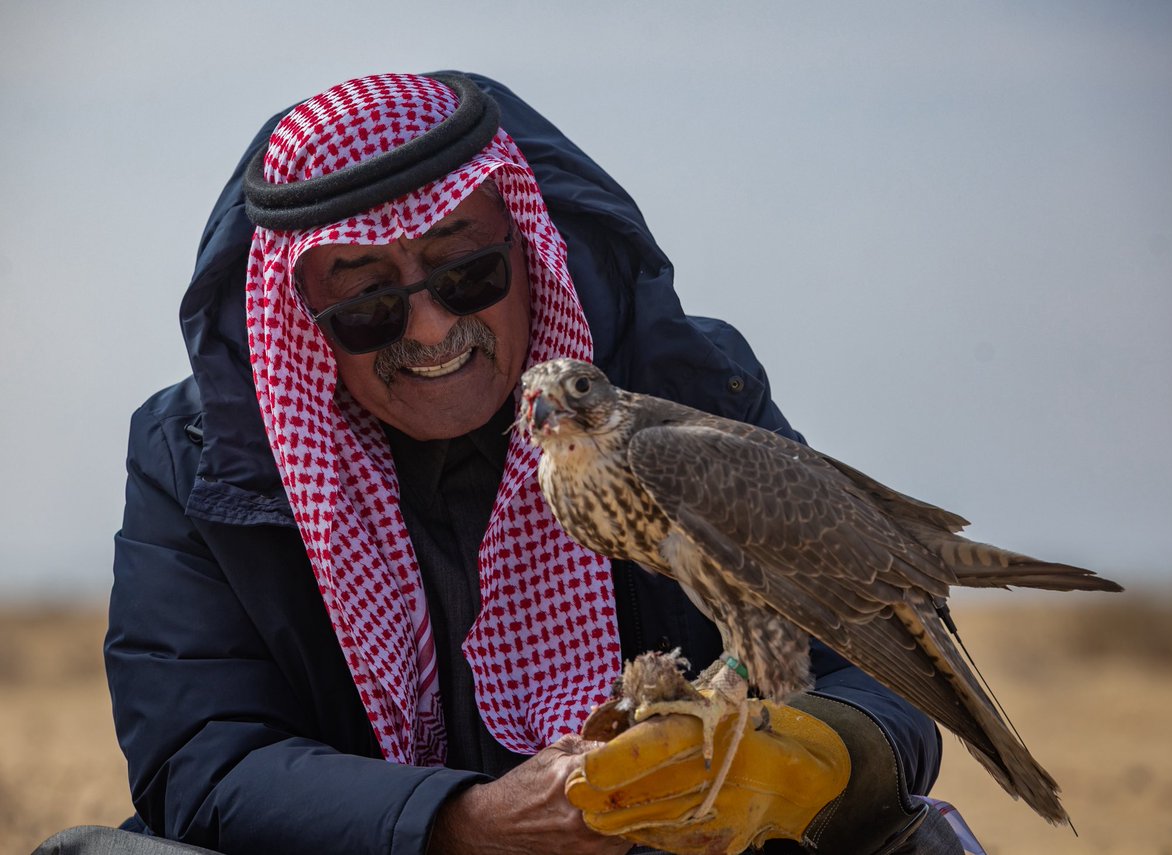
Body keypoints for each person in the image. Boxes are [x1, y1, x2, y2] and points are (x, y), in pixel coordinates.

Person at [47, 72, 979, 854]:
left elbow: (884, 661)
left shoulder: (685, 395)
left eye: (465, 275)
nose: (433, 329)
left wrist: (784, 758)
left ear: (526, 250)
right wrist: (463, 822)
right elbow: (202, 762)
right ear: (301, 325)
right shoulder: (200, 460)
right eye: (370, 306)